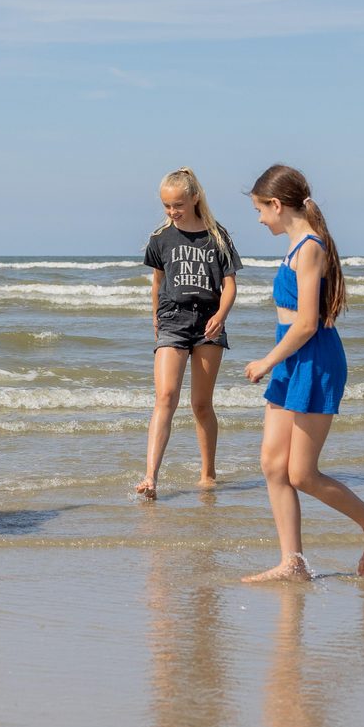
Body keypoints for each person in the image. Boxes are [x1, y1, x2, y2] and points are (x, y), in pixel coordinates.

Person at [241, 165, 364, 580]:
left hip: (313, 358)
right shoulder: (296, 246)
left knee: (301, 474)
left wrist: (268, 360)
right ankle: (293, 563)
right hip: (293, 358)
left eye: (259, 209)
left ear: (276, 204)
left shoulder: (310, 247)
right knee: (273, 465)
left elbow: (307, 323)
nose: (258, 219)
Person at [136, 167, 241, 499]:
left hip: (209, 321)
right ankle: (151, 477)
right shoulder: (160, 237)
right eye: (167, 206)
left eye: (178, 205)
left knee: (201, 404)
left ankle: (208, 472)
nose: (172, 212)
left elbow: (229, 284)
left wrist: (222, 315)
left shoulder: (217, 236)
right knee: (165, 397)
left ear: (195, 198)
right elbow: (157, 281)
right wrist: (156, 318)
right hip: (172, 321)